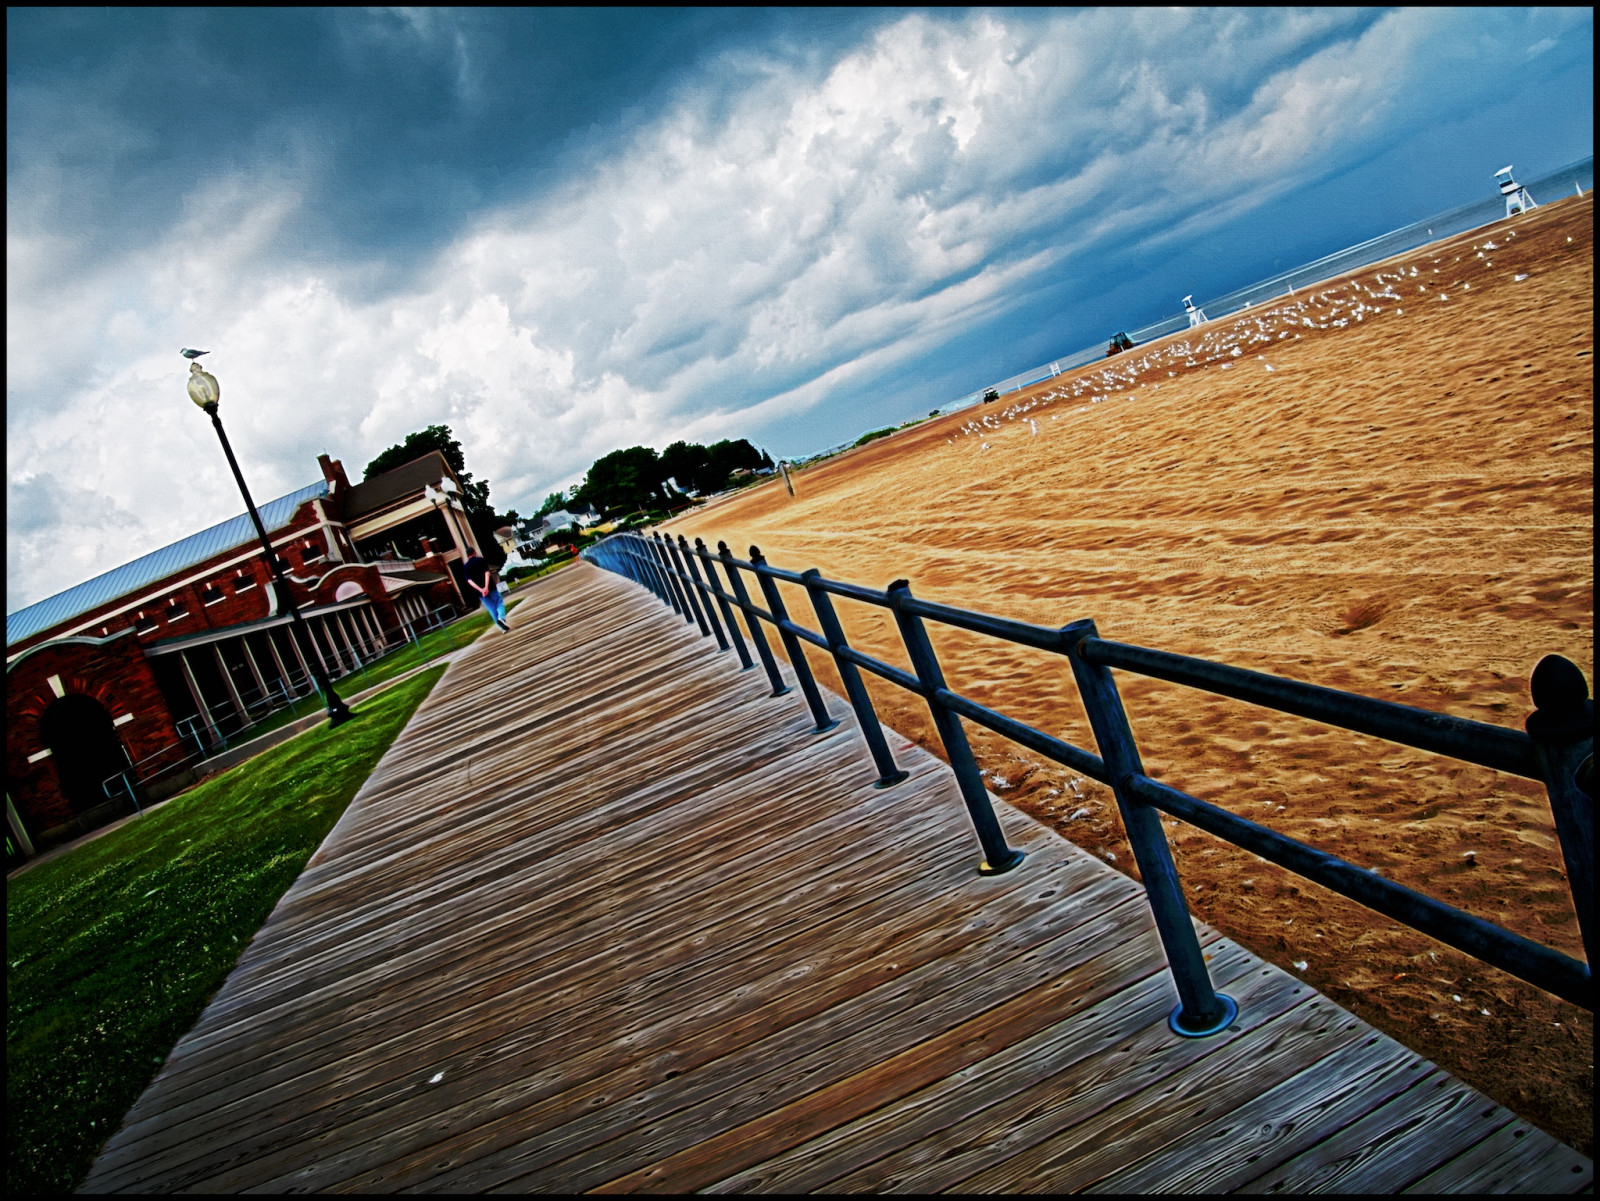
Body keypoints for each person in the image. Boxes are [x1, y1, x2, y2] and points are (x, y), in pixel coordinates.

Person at [461, 549, 511, 632]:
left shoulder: (466, 567)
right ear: (474, 552)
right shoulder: (481, 560)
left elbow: (469, 581)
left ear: (467, 555)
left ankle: (502, 628)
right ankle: (501, 618)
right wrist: (486, 587)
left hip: (480, 593)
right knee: (499, 602)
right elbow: (487, 573)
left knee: (491, 608)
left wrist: (481, 590)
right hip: (490, 587)